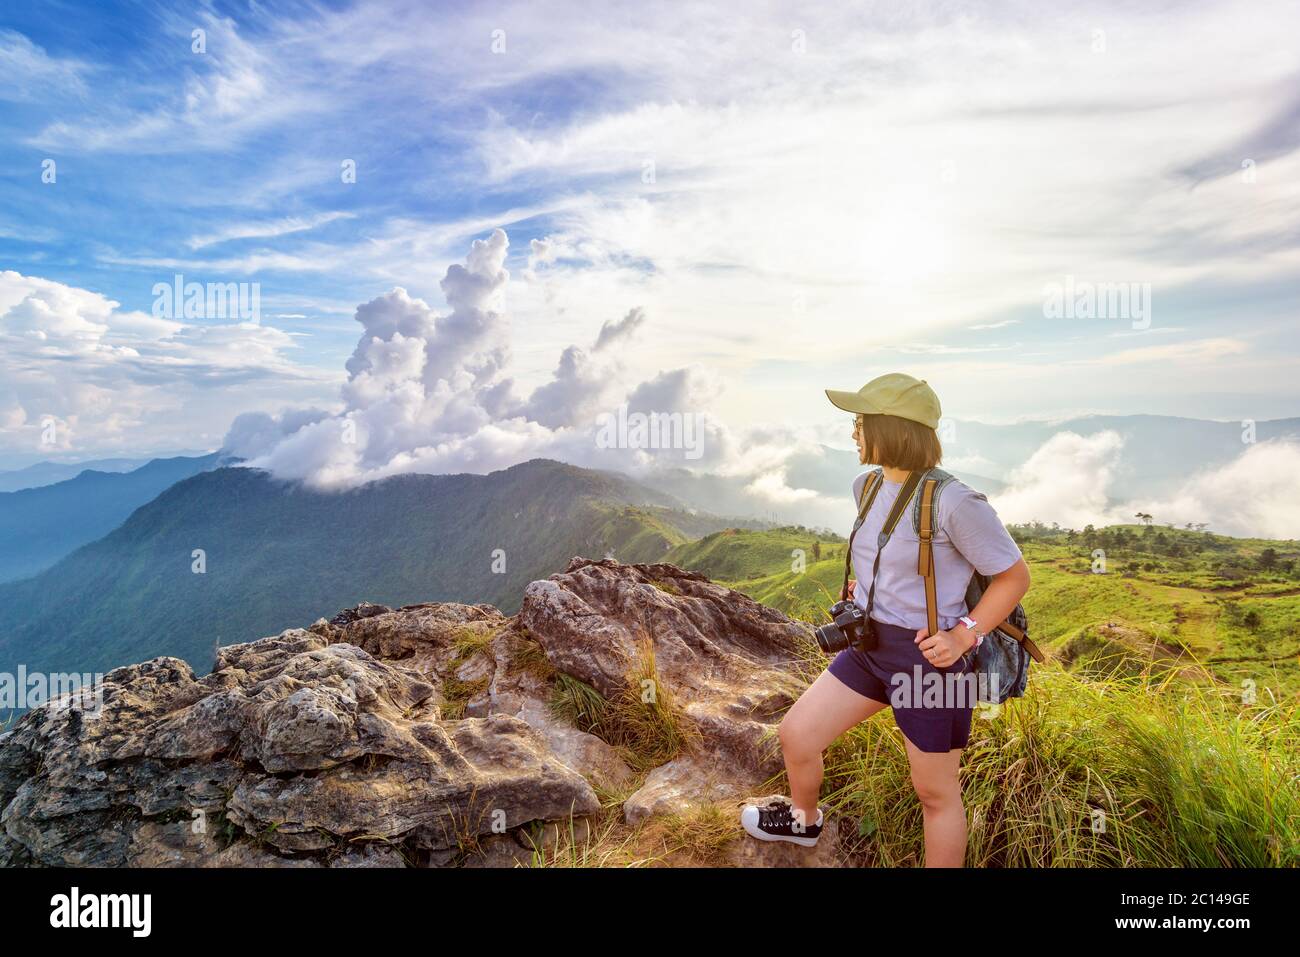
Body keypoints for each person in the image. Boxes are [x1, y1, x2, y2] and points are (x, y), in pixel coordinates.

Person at [740, 372, 1031, 866]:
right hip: (871, 647)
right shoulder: (868, 485)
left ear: (893, 428)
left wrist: (964, 636)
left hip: (929, 663)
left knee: (934, 793)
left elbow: (1014, 577)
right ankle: (805, 822)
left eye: (860, 421)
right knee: (797, 735)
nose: (853, 431)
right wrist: (866, 590)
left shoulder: (955, 502)